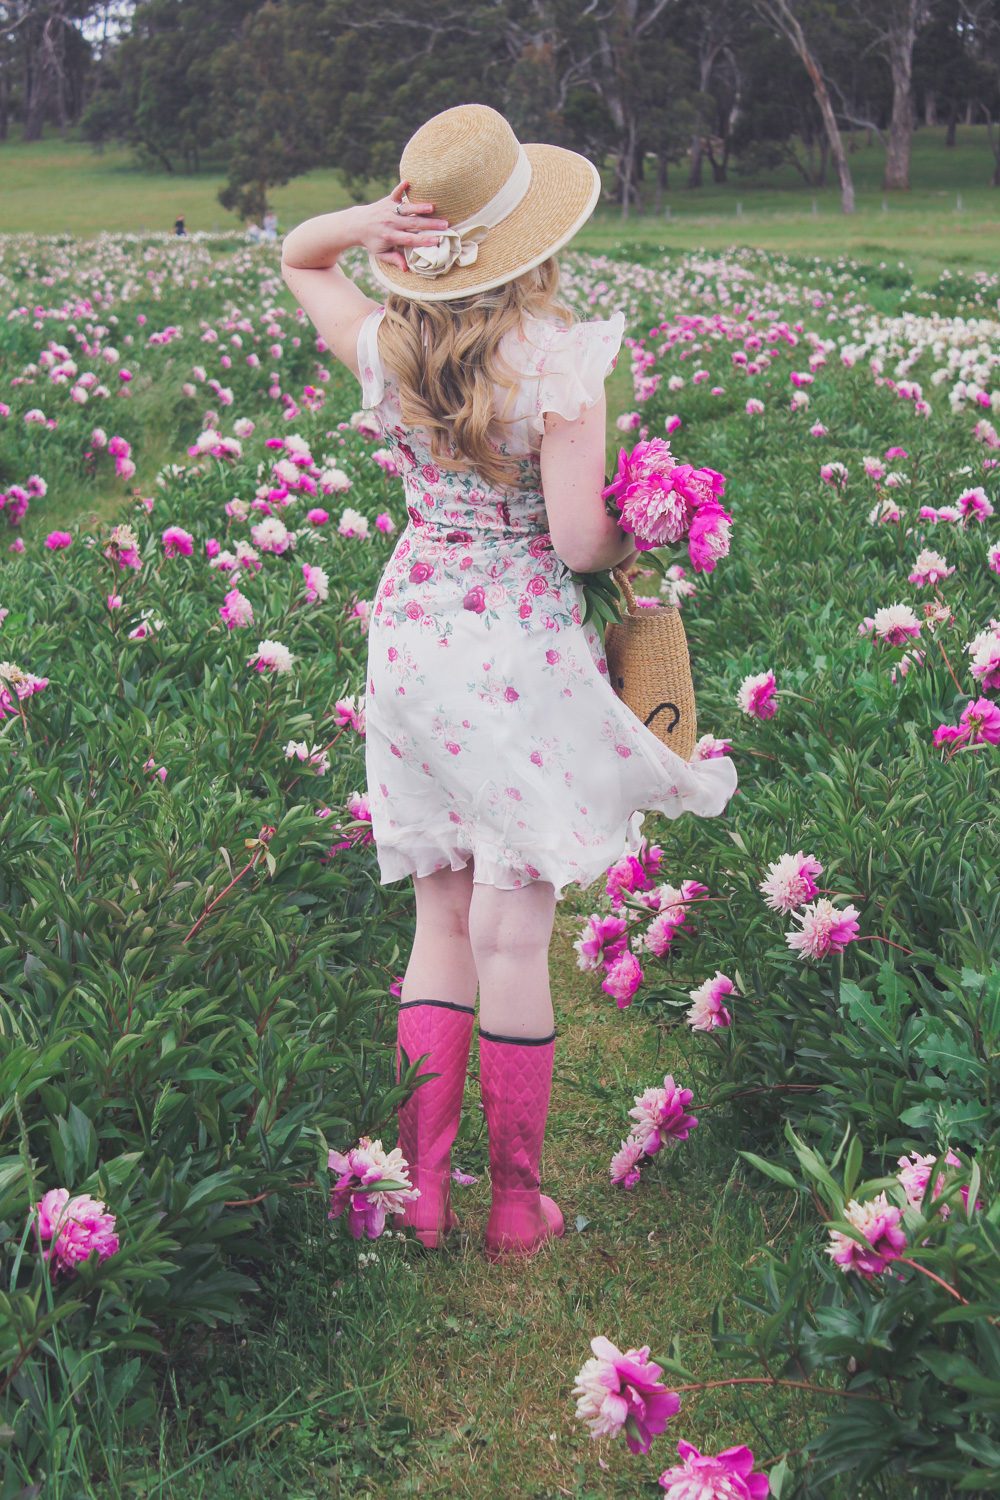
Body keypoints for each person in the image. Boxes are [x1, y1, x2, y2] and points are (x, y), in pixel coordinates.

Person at [281, 104, 737, 1262]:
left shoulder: (387, 345)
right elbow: (582, 544)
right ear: (531, 239)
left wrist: (369, 226)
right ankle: (513, 1204)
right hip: (520, 641)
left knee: (437, 913)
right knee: (511, 931)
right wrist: (647, 525)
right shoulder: (558, 363)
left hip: (417, 634)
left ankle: (423, 1193)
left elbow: (299, 255)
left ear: (427, 238)